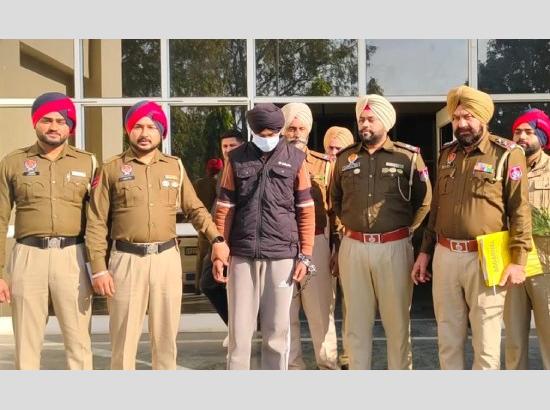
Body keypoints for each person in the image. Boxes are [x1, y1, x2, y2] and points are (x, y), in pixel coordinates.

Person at [85, 100, 229, 370]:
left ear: (161, 132)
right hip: (126, 262)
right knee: (123, 342)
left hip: (166, 260)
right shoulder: (111, 168)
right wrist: (98, 268)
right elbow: (96, 222)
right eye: (138, 126)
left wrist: (217, 239)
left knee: (166, 341)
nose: (144, 133)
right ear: (128, 130)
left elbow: (195, 209)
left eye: (151, 127)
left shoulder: (174, 166)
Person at [411, 85, 532, 370]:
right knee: (448, 338)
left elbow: (520, 210)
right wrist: (425, 252)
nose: (461, 124)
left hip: (485, 257)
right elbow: (437, 208)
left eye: (468, 117)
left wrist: (518, 261)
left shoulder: (507, 153)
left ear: (483, 118)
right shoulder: (447, 154)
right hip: (445, 255)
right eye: (456, 118)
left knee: (486, 343)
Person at [331, 94, 432, 369]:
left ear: (385, 123)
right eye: (361, 119)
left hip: (394, 248)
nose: (364, 124)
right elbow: (335, 198)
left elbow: (424, 201)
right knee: (355, 324)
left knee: (397, 324)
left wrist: (407, 231)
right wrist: (351, 224)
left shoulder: (408, 156)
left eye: (371, 119)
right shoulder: (344, 158)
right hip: (353, 247)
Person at [213, 103, 315, 370]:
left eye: (272, 134)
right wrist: (219, 251)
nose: (267, 138)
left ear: (280, 131)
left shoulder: (296, 159)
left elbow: (305, 210)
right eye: (261, 134)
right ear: (253, 131)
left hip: (282, 255)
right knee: (239, 334)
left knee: (277, 333)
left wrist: (305, 255)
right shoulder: (236, 158)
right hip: (242, 255)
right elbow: (224, 208)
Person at [0, 92, 95, 369]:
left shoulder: (87, 162)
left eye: (60, 121)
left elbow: (100, 219)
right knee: (27, 345)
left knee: (79, 344)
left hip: (73, 257)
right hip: (28, 257)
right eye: (46, 120)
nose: (54, 127)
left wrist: (99, 266)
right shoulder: (12, 162)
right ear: (35, 123)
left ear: (70, 126)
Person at [281, 103, 338, 370]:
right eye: (291, 128)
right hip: (281, 246)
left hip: (316, 243)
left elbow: (335, 209)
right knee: (285, 313)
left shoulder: (324, 164)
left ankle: (327, 366)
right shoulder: (270, 160)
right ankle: (293, 367)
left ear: (308, 130)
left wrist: (336, 246)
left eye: (301, 128)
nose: (296, 133)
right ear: (283, 130)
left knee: (320, 312)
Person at [505, 108, 550, 369]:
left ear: (542, 137)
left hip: (545, 266)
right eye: (517, 132)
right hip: (511, 263)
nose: (521, 136)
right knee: (513, 341)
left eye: (528, 132)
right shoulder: (505, 169)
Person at [200, 130, 245, 328]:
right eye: (225, 146)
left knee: (237, 288)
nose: (227, 150)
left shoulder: (246, 169)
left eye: (232, 146)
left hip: (237, 238)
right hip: (218, 238)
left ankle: (242, 328)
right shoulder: (223, 171)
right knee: (208, 283)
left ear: (242, 146)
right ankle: (236, 327)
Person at [322, 126, 355, 370]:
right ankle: (329, 357)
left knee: (353, 304)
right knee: (327, 303)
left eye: (339, 148)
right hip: (327, 243)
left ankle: (350, 355)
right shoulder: (318, 169)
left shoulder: (354, 171)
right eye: (330, 148)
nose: (333, 153)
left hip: (351, 241)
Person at [193, 157, 223, 294]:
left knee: (201, 255)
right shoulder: (219, 184)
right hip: (217, 224)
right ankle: (215, 284)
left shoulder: (198, 183)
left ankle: (197, 286)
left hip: (202, 223)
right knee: (216, 255)